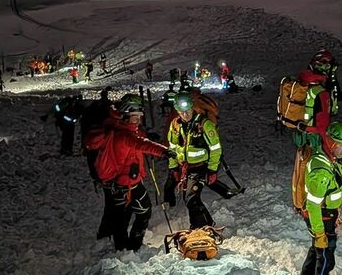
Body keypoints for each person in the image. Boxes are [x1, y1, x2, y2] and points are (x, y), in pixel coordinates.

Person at [84, 95, 170, 249]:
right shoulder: (123, 135)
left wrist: (147, 135)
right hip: (126, 183)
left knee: (122, 216)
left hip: (120, 183)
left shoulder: (118, 128)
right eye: (134, 117)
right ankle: (129, 247)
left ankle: (121, 246)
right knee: (135, 214)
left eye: (139, 116)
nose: (138, 120)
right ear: (125, 116)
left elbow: (138, 138)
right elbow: (140, 143)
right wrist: (164, 151)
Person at [165, 92, 234, 228]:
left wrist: (212, 170)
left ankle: (204, 226)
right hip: (185, 168)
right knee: (189, 198)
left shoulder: (204, 124)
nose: (185, 115)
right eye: (181, 112)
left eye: (188, 111)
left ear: (192, 107)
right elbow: (172, 148)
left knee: (191, 197)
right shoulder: (175, 126)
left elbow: (215, 149)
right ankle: (201, 225)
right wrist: (173, 168)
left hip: (201, 167)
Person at [301, 122, 342, 275]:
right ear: (332, 144)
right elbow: (313, 206)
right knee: (325, 259)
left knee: (316, 252)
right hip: (322, 218)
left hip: (327, 215)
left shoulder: (327, 159)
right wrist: (320, 233)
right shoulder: (321, 170)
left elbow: (335, 187)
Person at [294, 50, 339, 148]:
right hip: (314, 138)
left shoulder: (305, 82)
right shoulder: (321, 93)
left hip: (301, 135)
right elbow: (322, 127)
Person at [79, 90, 113, 183]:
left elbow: (84, 129)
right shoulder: (107, 108)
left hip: (91, 141)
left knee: (93, 158)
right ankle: (101, 177)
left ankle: (96, 176)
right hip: (101, 140)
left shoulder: (88, 111)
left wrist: (83, 144)